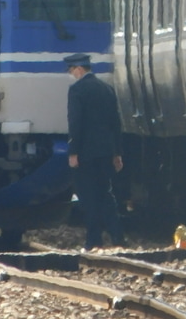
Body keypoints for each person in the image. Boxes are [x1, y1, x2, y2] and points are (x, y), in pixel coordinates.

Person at [64, 52, 125, 251]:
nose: (71, 74)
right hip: (106, 151)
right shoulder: (106, 89)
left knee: (88, 197)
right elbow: (116, 123)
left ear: (79, 69)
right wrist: (117, 152)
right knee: (106, 194)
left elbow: (76, 123)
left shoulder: (77, 90)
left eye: (72, 70)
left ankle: (93, 240)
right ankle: (118, 237)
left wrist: (73, 152)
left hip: (85, 153)